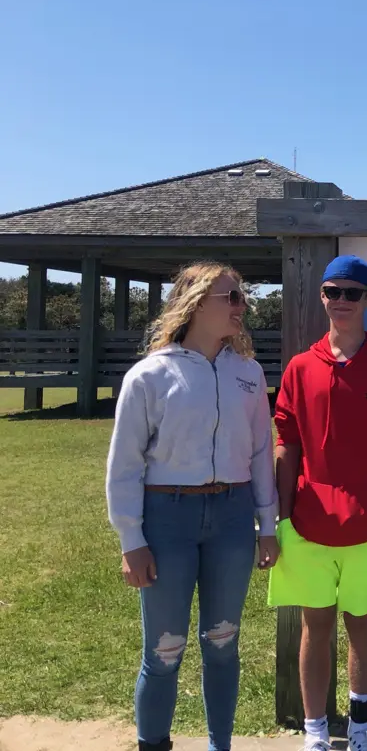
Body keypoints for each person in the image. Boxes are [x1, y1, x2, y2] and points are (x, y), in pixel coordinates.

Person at [105, 262, 280, 751]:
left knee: (223, 644)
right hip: (168, 521)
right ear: (198, 302)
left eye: (242, 297)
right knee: (164, 651)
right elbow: (124, 464)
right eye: (232, 298)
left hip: (231, 518)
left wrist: (267, 525)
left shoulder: (247, 374)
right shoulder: (151, 376)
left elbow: (261, 453)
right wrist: (131, 540)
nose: (242, 307)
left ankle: (219, 744)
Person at [267, 254, 367, 751]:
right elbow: (285, 442)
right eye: (333, 292)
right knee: (315, 626)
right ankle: (315, 732)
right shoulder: (299, 367)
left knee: (362, 624)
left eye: (352, 293)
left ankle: (360, 726)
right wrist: (281, 515)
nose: (341, 302)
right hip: (308, 525)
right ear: (322, 297)